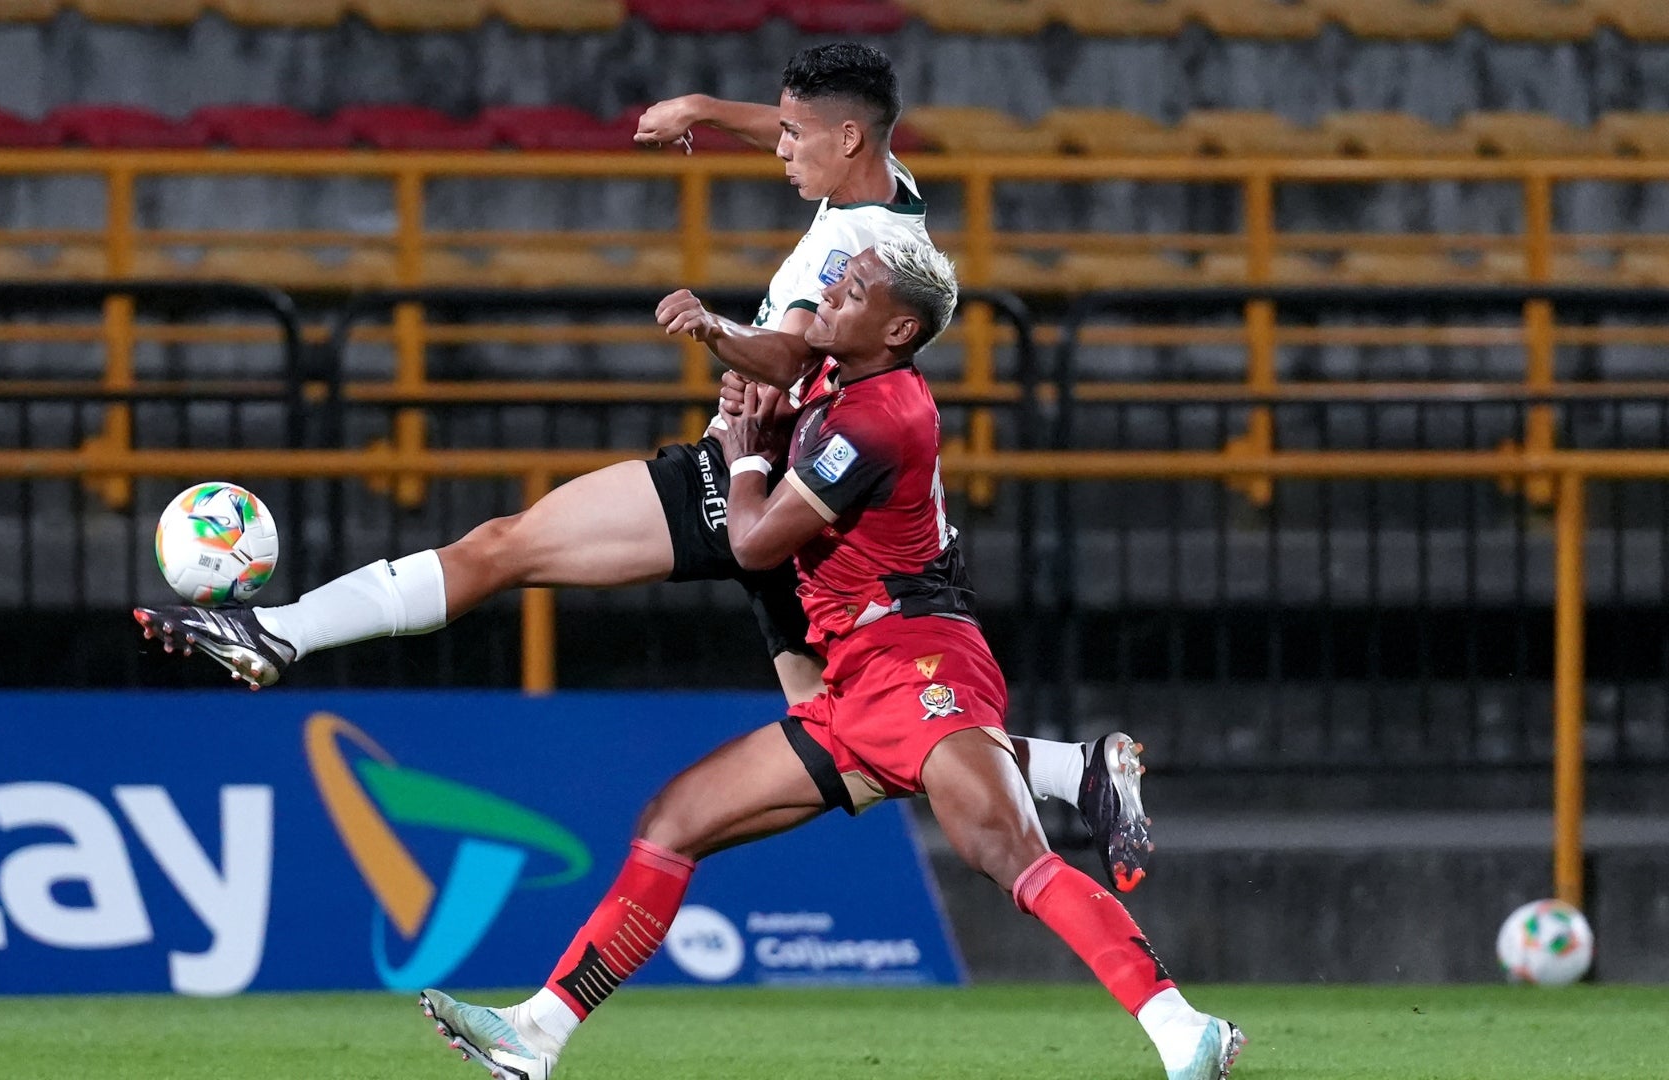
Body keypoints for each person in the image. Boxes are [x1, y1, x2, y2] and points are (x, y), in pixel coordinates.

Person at [134, 42, 1152, 892]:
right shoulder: (887, 189)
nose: (779, 143)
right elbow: (807, 138)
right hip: (815, 518)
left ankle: (276, 631)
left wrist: (716, 331)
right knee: (850, 740)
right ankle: (1075, 770)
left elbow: (794, 352)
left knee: (505, 546)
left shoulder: (850, 251)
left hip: (764, 482)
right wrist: (710, 110)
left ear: (846, 140)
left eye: (794, 132)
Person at [418, 239, 1244, 1080]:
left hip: (920, 659)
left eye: (851, 294)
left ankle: (1184, 1028)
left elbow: (752, 541)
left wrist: (744, 452)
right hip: (852, 680)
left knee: (1008, 853)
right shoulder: (839, 380)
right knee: (673, 822)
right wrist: (733, 362)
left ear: (898, 329)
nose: (830, 301)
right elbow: (780, 361)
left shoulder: (882, 416)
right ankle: (538, 1034)